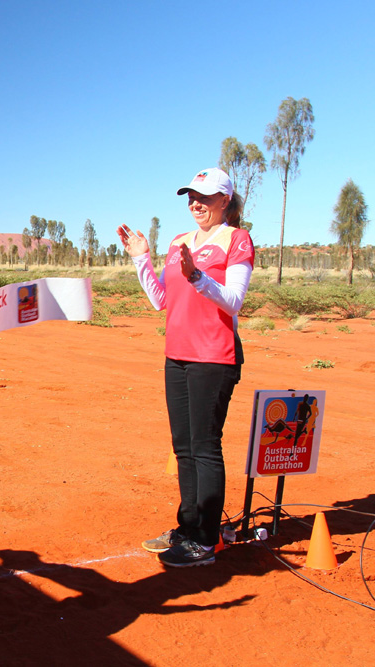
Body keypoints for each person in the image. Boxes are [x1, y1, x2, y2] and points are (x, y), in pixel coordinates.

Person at [117, 167, 254, 568]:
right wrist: (141, 259)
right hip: (176, 355)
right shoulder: (180, 241)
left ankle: (207, 540)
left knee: (205, 447)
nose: (196, 202)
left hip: (214, 356)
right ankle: (188, 526)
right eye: (191, 195)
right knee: (183, 447)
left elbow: (234, 301)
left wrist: (197, 277)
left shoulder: (236, 239)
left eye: (205, 196)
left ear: (224, 200)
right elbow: (161, 299)